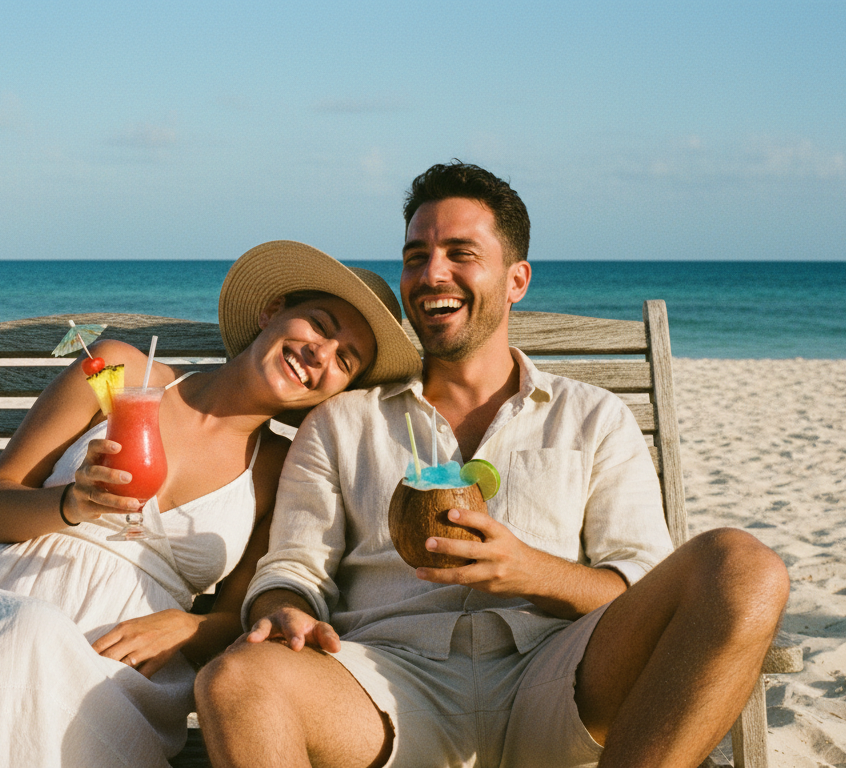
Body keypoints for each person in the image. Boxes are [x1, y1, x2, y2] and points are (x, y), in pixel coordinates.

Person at [195, 163, 792, 768]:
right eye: (416, 255)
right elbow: (294, 567)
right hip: (386, 684)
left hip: (559, 678)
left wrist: (529, 571)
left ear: (516, 280)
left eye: (461, 253)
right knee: (237, 680)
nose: (432, 274)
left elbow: (637, 582)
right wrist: (282, 611)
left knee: (744, 568)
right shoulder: (344, 422)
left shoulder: (591, 417)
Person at [0, 241, 421, 768]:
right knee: (27, 632)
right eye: (319, 325)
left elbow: (240, 615)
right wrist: (71, 503)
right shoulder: (119, 370)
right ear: (271, 313)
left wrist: (192, 626)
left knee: (37, 654)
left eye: (345, 359)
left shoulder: (280, 469)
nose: (322, 354)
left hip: (116, 673)